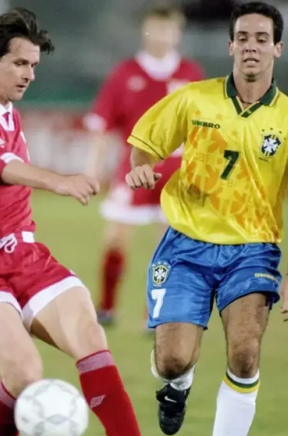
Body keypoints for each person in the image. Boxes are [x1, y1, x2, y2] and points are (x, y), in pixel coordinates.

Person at [0, 8, 187, 436]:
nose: (29, 74)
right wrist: (61, 181)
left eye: (34, 66)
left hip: (24, 255)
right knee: (24, 373)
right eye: (21, 63)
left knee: (89, 331)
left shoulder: (9, 113)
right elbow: (4, 169)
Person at [124, 1, 288, 436]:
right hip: (186, 245)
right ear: (230, 46)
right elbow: (146, 140)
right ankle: (176, 384)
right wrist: (141, 164)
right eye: (243, 37)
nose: (251, 47)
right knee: (173, 357)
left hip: (253, 249)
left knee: (245, 351)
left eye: (262, 39)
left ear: (278, 49)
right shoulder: (194, 99)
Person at [83, 4, 204, 328]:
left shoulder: (192, 74)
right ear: (145, 31)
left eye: (169, 29)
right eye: (157, 29)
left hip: (177, 174)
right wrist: (93, 169)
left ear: (178, 33)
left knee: (166, 246)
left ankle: (156, 312)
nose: (163, 36)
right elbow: (103, 127)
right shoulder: (125, 73)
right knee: (114, 240)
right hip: (133, 170)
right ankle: (106, 308)